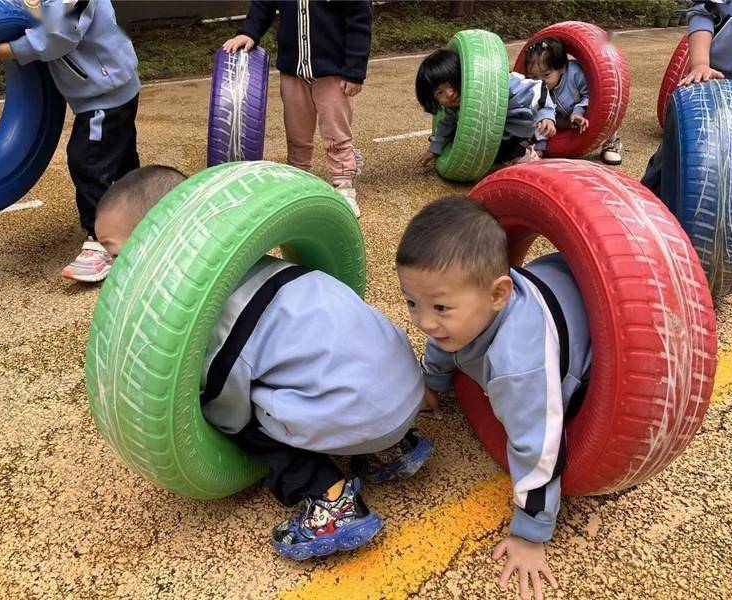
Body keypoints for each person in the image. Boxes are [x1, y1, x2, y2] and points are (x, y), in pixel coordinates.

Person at [94, 165, 435, 560]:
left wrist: (202, 422)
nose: (116, 274)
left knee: (240, 419)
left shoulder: (216, 310)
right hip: (406, 392)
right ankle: (392, 448)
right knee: (316, 359)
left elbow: (227, 397)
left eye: (119, 255)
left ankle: (331, 500)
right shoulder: (268, 265)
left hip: (366, 418)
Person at [395, 196, 592, 600]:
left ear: (499, 294)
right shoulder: (466, 310)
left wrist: (530, 534)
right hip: (554, 273)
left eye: (439, 307)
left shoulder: (517, 366)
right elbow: (442, 339)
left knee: (546, 414)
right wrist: (431, 382)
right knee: (451, 330)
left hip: (585, 323)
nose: (423, 320)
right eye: (412, 302)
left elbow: (539, 445)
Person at [0, 0, 141, 283]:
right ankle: (139, 212)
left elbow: (61, 35)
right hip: (102, 87)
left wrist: (6, 51)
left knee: (88, 160)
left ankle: (102, 241)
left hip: (104, 92)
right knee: (118, 157)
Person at [222, 1, 371, 218]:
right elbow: (263, 5)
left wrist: (355, 71)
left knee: (335, 130)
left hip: (334, 73)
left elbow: (359, 21)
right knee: (296, 131)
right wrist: (249, 33)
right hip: (293, 72)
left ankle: (343, 183)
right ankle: (298, 177)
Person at [641, 0, 732, 195]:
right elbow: (703, 10)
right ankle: (646, 203)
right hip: (718, 74)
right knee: (680, 150)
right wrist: (700, 63)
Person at [414, 49, 557, 170]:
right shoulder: (455, 106)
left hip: (521, 127)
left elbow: (538, 88)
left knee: (519, 159)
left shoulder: (502, 85)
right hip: (497, 132)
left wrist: (545, 114)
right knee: (463, 135)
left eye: (450, 83)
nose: (449, 94)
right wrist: (434, 149)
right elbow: (446, 124)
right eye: (440, 93)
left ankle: (527, 154)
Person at [524, 37, 623, 165]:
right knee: (535, 116)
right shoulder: (537, 88)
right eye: (533, 77)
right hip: (560, 119)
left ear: (561, 69)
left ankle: (611, 144)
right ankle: (539, 146)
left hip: (585, 113)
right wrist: (541, 144)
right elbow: (539, 111)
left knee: (607, 111)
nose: (540, 81)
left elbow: (590, 95)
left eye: (546, 75)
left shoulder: (575, 73)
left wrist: (579, 112)